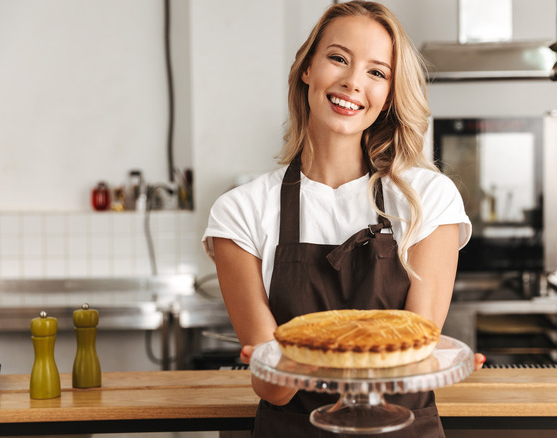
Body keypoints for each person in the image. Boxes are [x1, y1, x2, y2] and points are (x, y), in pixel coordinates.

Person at [202, 2, 483, 436]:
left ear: (389, 94)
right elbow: (272, 389)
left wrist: (437, 358)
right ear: (307, 68)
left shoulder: (429, 198)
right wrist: (273, 364)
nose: (353, 82)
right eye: (338, 58)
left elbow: (416, 356)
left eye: (377, 72)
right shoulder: (240, 211)